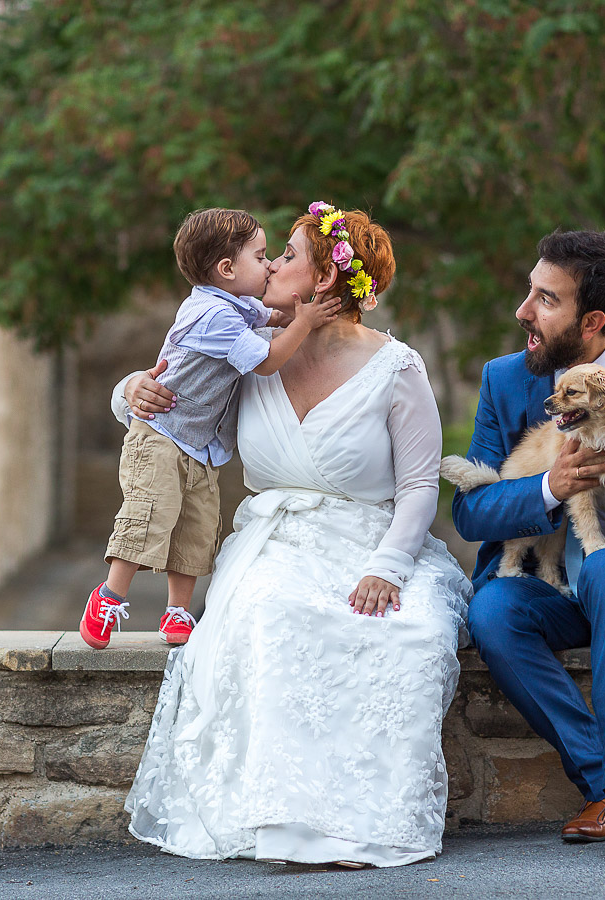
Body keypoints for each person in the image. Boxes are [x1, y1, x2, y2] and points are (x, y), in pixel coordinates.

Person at [114, 202, 472, 867]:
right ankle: (285, 820)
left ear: (325, 282)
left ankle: (364, 824)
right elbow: (171, 389)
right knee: (271, 616)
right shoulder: (244, 345)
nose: (272, 262)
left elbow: (422, 486)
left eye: (287, 255)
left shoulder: (398, 369)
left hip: (373, 539)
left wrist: (388, 568)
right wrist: (132, 387)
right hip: (278, 542)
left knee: (411, 631)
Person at [451, 230, 605, 866]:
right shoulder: (505, 380)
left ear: (591, 321)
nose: (523, 312)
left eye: (544, 299)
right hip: (550, 579)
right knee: (492, 612)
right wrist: (547, 486)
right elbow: (470, 510)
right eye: (529, 293)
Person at [82, 207, 341, 650]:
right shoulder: (211, 315)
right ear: (226, 269)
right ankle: (109, 596)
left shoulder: (236, 305)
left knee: (198, 529)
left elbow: (264, 320)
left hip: (201, 447)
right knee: (149, 516)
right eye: (261, 257)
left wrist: (283, 320)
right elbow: (266, 362)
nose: (269, 265)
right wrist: (304, 323)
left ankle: (178, 609)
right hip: (162, 435)